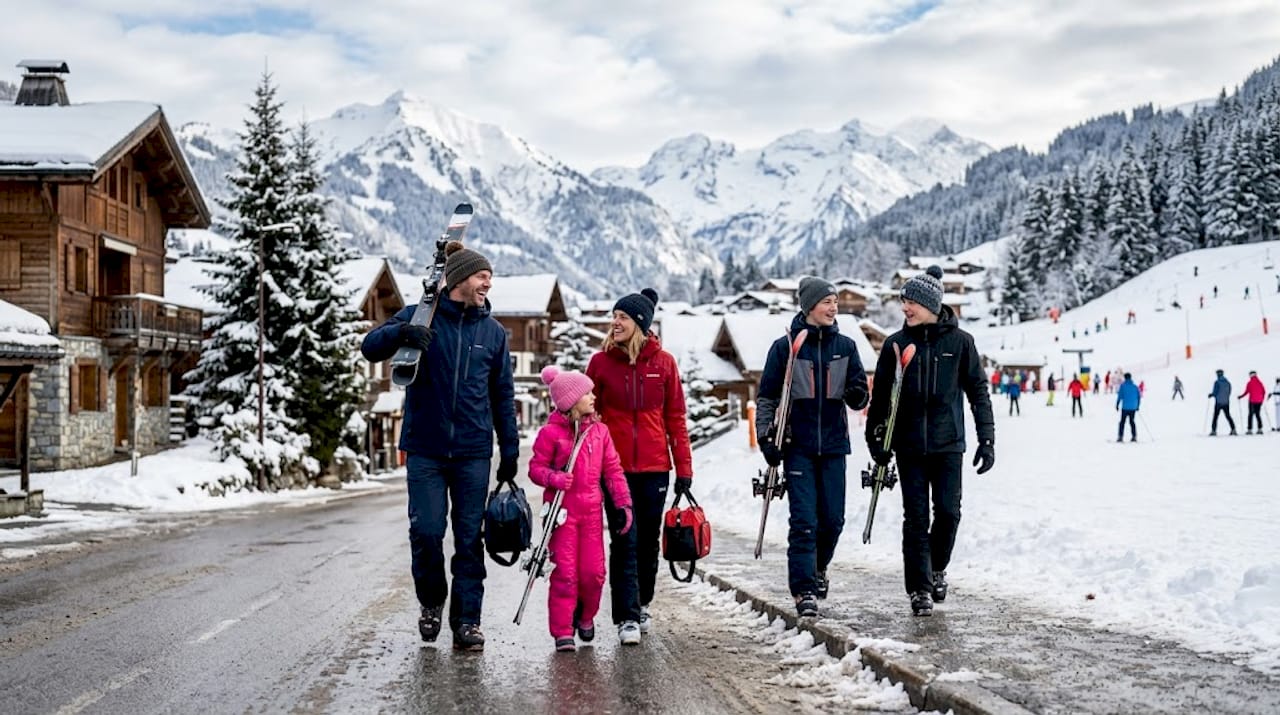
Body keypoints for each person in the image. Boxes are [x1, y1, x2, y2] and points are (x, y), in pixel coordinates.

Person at [359, 243, 518, 651]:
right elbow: (370, 346)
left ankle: (467, 621)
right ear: (459, 278)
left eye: (490, 278)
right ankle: (431, 601)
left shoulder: (494, 334)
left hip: (472, 452)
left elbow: (502, 396)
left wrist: (510, 450)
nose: (488, 282)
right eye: (482, 275)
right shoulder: (421, 316)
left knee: (469, 539)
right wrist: (402, 332)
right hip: (425, 449)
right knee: (426, 532)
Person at [865, 266, 995, 618]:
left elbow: (978, 393)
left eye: (910, 302)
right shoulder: (896, 344)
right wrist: (875, 437)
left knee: (949, 513)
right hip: (909, 447)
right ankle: (919, 588)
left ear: (930, 304)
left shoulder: (961, 342)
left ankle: (937, 567)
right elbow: (880, 400)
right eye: (903, 302)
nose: (904, 308)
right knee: (915, 518)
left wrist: (987, 439)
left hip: (948, 443)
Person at [756, 277, 869, 619]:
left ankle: (818, 567)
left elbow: (860, 391)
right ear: (809, 306)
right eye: (827, 301)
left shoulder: (846, 347)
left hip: (834, 445)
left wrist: (857, 395)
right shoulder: (786, 347)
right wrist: (766, 436)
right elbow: (767, 396)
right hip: (797, 445)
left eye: (835, 301)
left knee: (832, 520)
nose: (834, 307)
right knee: (804, 519)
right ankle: (804, 589)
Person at [587, 288, 694, 645]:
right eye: (614, 317)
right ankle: (626, 616)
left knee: (648, 540)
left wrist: (684, 470)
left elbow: (676, 418)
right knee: (623, 538)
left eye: (623, 318)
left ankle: (642, 601)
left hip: (654, 467)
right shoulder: (600, 363)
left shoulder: (664, 364)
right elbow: (589, 415)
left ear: (640, 325)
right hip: (613, 468)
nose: (615, 323)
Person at [528, 366, 633, 652]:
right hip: (561, 515)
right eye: (587, 393)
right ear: (571, 400)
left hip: (591, 514)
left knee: (594, 574)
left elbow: (612, 470)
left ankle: (586, 617)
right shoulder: (551, 433)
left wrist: (623, 502)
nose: (593, 396)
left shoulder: (600, 432)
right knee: (564, 574)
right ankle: (563, 631)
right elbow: (535, 469)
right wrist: (554, 478)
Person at [1208, 369, 1237, 436]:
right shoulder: (1228, 382)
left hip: (1218, 402)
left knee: (1215, 417)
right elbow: (1229, 392)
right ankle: (1233, 429)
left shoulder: (1217, 382)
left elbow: (1215, 392)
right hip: (1226, 402)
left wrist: (1211, 395)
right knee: (1228, 416)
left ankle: (1213, 431)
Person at [1116, 372, 1141, 442]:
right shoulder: (1135, 386)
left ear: (1125, 378)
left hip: (1125, 408)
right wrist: (1137, 406)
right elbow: (1138, 397)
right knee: (1132, 422)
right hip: (1133, 408)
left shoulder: (1123, 386)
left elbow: (1120, 396)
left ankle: (1120, 436)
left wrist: (1117, 405)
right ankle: (1134, 436)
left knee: (1122, 422)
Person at [1240, 370, 1266, 435]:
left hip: (1252, 401)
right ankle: (1260, 429)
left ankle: (1250, 429)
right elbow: (1264, 391)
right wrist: (1262, 399)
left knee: (1250, 415)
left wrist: (1240, 396)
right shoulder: (1260, 382)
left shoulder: (1250, 383)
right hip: (1259, 401)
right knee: (1257, 414)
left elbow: (1246, 392)